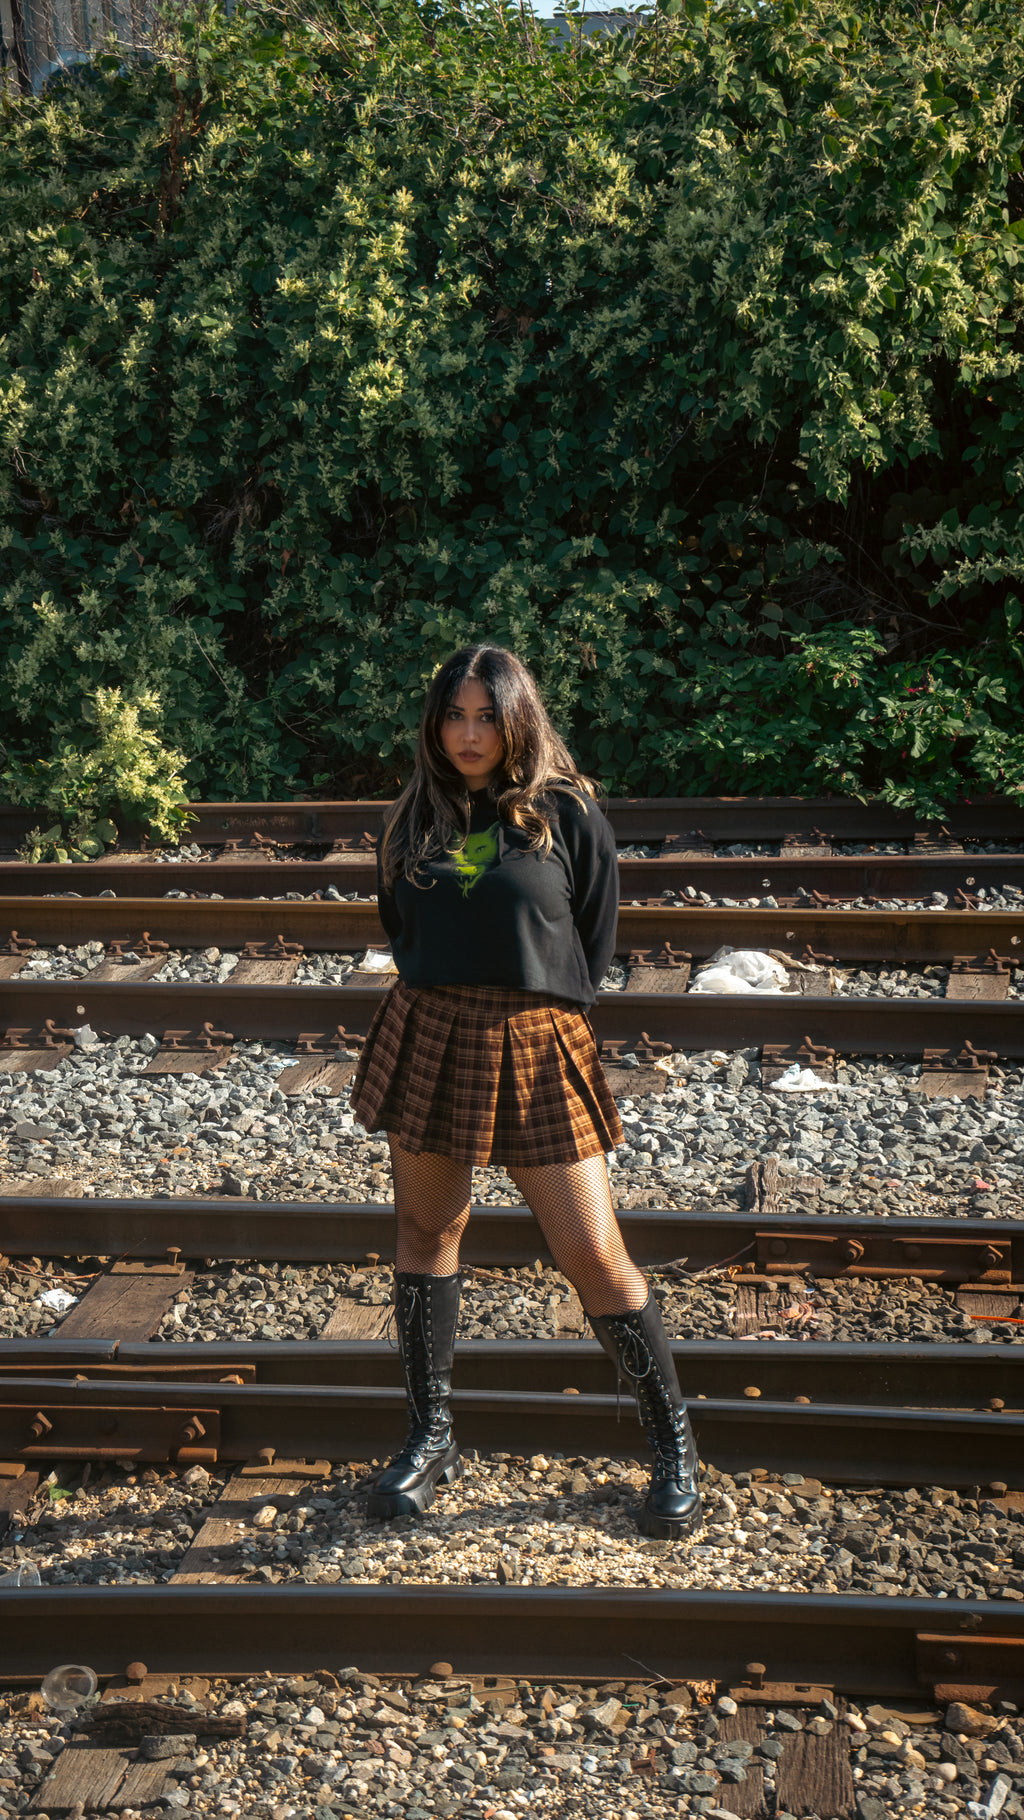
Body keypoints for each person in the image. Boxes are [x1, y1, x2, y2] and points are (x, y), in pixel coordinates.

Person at [349, 644, 701, 1540]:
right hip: (431, 1032)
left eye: (486, 716)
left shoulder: (565, 811)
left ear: (519, 719)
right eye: (454, 716)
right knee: (429, 1229)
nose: (469, 735)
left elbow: (594, 939)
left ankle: (674, 1448)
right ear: (435, 722)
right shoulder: (411, 819)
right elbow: (404, 927)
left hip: (538, 1044)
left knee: (592, 1252)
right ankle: (430, 1436)